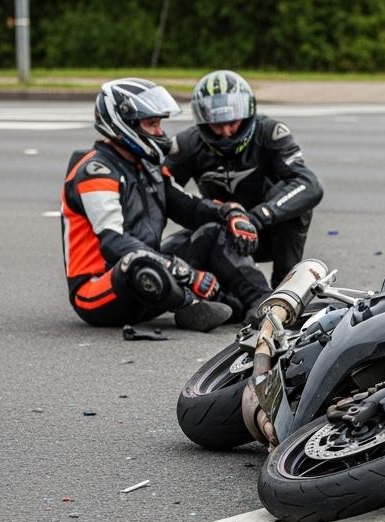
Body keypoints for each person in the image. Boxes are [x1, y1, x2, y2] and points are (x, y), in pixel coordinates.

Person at [61, 78, 273, 332]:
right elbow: (114, 243)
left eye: (159, 123)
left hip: (153, 279)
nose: (159, 132)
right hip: (98, 291)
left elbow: (190, 208)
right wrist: (186, 273)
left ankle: (265, 304)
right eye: (152, 124)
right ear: (124, 123)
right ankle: (191, 305)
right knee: (137, 261)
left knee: (214, 230)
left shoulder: (148, 166)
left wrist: (230, 212)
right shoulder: (95, 171)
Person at [167, 70, 324, 288]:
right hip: (221, 230)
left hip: (267, 231)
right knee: (163, 253)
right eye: (217, 124)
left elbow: (309, 184)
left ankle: (285, 285)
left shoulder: (270, 133)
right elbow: (161, 192)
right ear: (202, 121)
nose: (226, 132)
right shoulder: (187, 144)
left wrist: (258, 217)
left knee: (292, 200)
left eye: (232, 122)